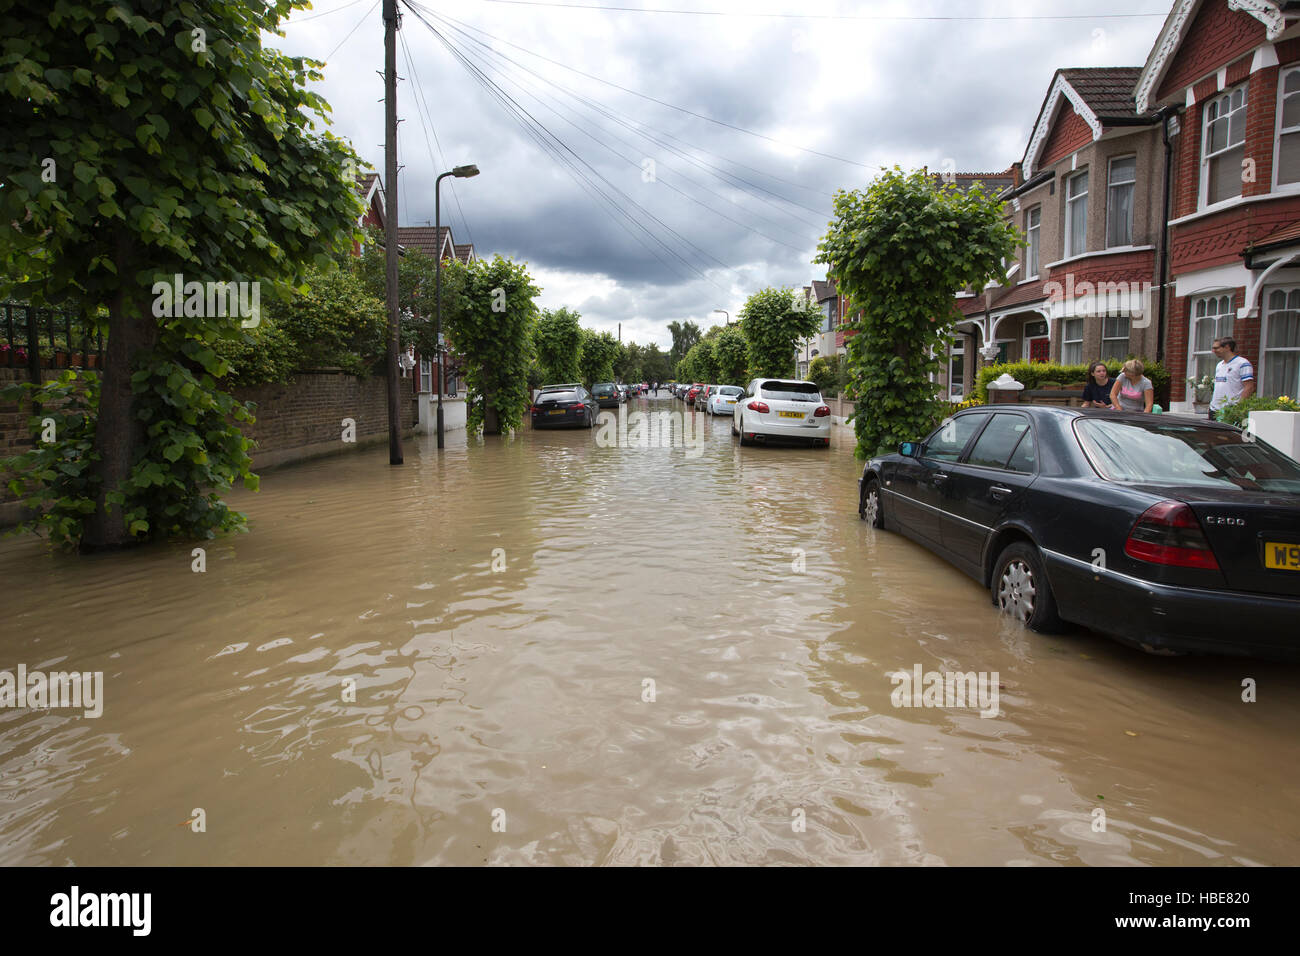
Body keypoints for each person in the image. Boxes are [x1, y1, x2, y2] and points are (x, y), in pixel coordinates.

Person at [1209, 337, 1255, 421]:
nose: (1213, 351)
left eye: (1216, 348)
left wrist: (1238, 408)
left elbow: (1249, 387)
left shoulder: (1242, 363)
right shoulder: (1219, 365)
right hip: (1214, 410)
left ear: (1227, 347)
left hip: (1229, 411)